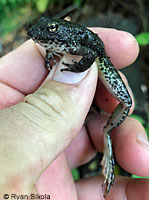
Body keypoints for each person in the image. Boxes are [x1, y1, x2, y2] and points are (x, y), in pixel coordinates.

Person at [0, 28, 148, 200]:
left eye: (52, 29)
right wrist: (50, 55)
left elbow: (90, 54)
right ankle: (102, 129)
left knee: (126, 102)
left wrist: (75, 70)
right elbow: (50, 45)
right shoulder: (56, 42)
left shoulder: (71, 42)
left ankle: (107, 133)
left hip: (102, 62)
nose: (43, 35)